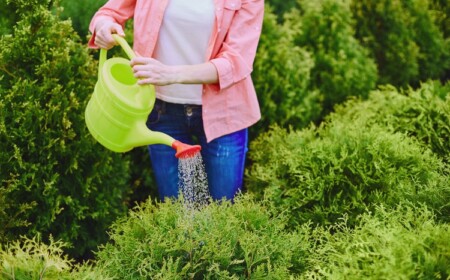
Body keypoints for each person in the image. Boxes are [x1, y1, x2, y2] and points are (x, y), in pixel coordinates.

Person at [88, 0, 264, 202]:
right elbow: (109, 13)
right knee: (176, 213)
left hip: (225, 113)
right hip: (162, 111)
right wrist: (103, 26)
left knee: (224, 212)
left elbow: (236, 61)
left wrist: (170, 74)